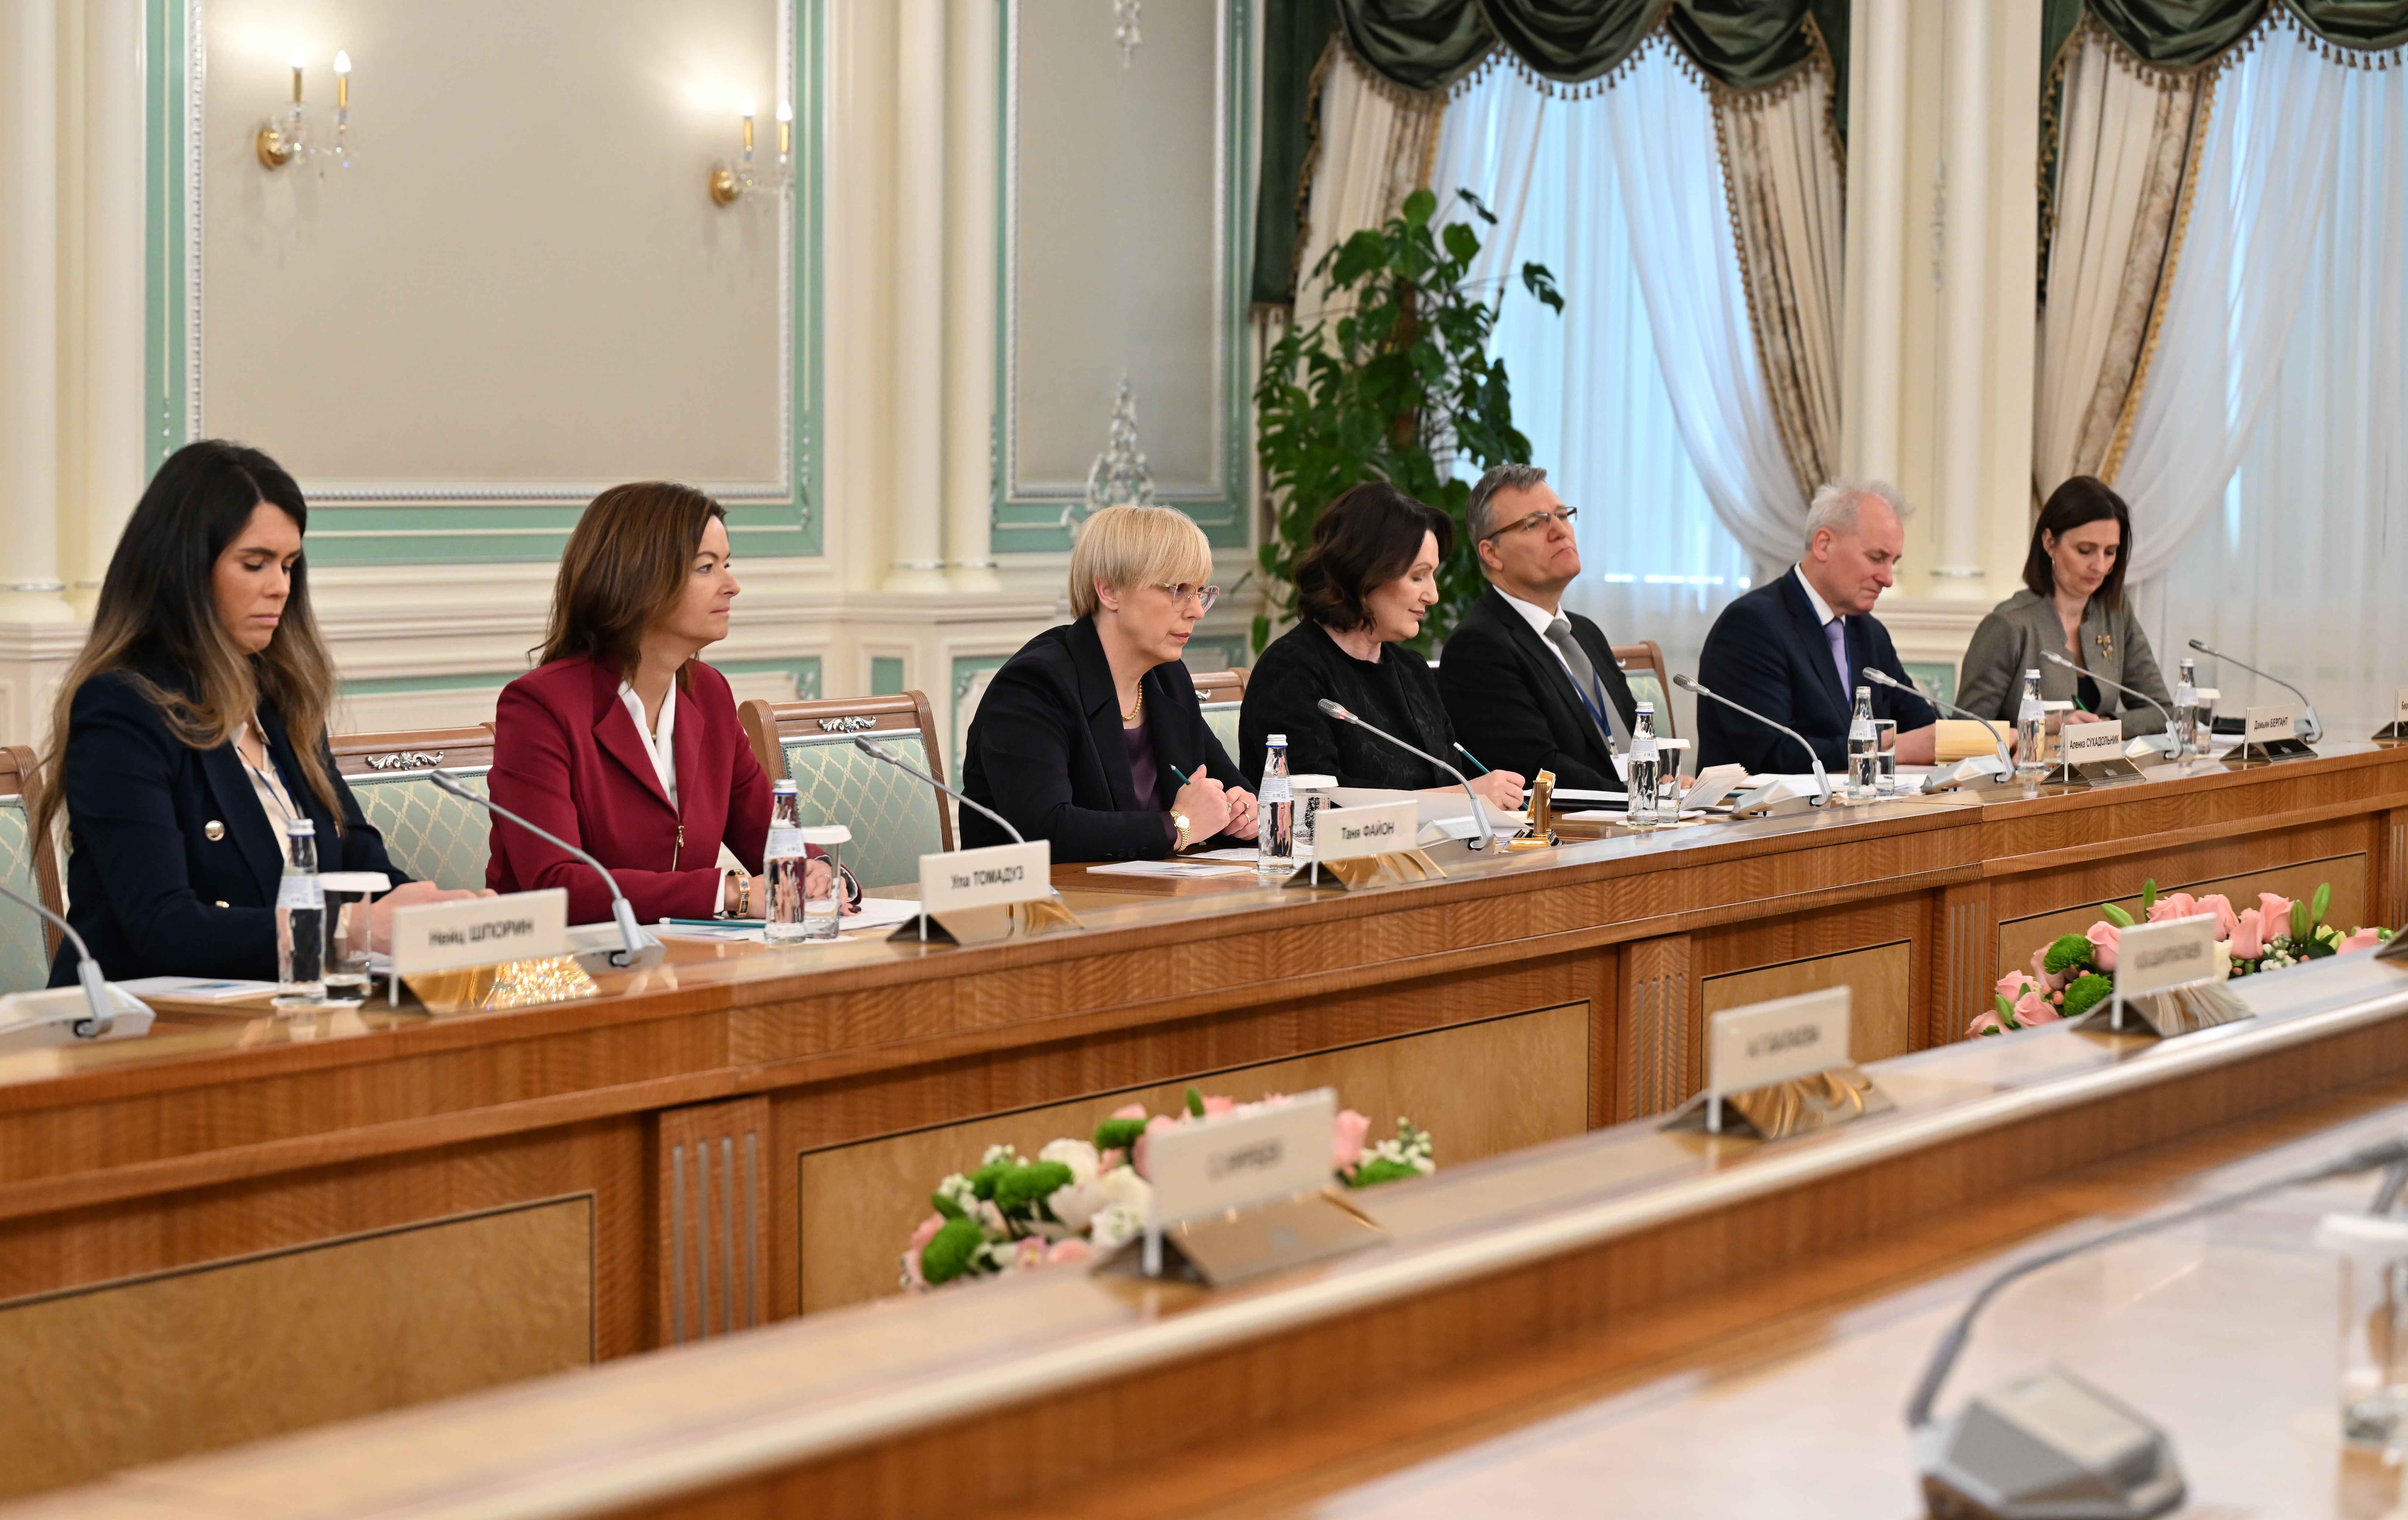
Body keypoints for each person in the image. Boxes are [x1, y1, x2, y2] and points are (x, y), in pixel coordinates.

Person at [37, 440, 477, 985]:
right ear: (183, 570)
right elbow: (166, 929)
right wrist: (350, 929)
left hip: (284, 1006)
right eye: (255, 564)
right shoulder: (121, 710)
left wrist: (444, 916)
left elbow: (360, 864)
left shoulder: (281, 699)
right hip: (149, 1021)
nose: (280, 587)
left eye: (289, 565)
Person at [487, 481, 854, 923]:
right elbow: (555, 885)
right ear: (638, 580)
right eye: (706, 568)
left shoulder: (710, 695)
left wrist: (818, 872)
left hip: (683, 955)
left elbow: (770, 836)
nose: (732, 586)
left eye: (727, 565)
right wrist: (732, 893)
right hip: (563, 959)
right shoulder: (541, 706)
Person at [960, 504, 1262, 860]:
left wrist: (1243, 813)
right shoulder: (1034, 686)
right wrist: (1179, 825)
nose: (1196, 610)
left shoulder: (1168, 679)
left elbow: (1227, 789)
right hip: (1038, 894)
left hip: (1145, 891)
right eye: (1179, 589)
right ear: (1109, 591)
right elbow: (1047, 828)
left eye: (1200, 592)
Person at [1240, 483, 1526, 809]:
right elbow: (1315, 806)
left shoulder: (1412, 671)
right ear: (1365, 572)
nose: (1433, 596)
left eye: (1433, 576)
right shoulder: (1290, 671)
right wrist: (1465, 797)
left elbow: (1449, 780)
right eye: (1418, 577)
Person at [1695, 479, 1940, 775]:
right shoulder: (1750, 625)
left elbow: (1924, 728)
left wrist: (1976, 736)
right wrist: (1884, 747)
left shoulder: (1870, 634)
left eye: (1893, 562)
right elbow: (1772, 756)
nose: (1887, 579)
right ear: (1824, 545)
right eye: (1877, 558)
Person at [1437, 464, 1638, 792]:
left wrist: (1668, 782)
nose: (1560, 530)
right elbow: (1537, 771)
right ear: (1492, 553)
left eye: (1562, 515)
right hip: (1570, 823)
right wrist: (1641, 798)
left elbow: (1638, 735)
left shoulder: (1586, 633)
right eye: (1534, 523)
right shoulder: (1478, 648)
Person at [1957, 476, 2172, 741]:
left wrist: (2105, 727)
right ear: (2050, 542)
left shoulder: (2115, 613)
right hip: (2027, 768)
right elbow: (1964, 734)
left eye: (2110, 552)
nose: (2100, 566)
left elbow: (2163, 712)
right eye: (2085, 550)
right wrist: (2047, 727)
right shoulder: (2009, 624)